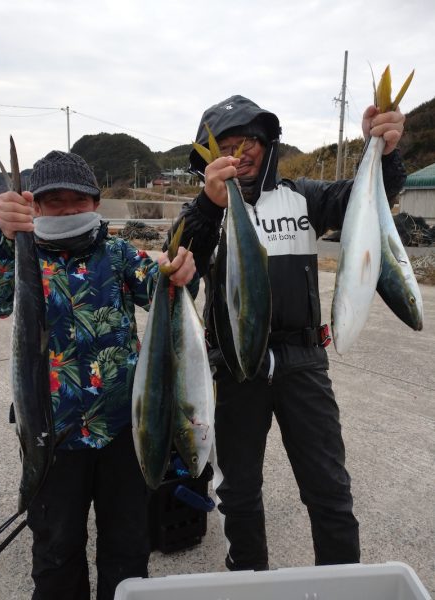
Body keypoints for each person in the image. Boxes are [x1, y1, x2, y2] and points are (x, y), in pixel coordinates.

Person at [171, 94, 407, 571]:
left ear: (268, 144)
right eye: (226, 143)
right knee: (238, 492)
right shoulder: (204, 214)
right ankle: (249, 581)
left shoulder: (306, 197)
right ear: (208, 158)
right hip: (236, 366)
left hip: (303, 362)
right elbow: (178, 272)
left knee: (330, 489)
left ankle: (343, 583)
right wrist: (205, 206)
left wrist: (385, 151)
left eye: (249, 139)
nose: (238, 151)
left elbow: (370, 197)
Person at [0, 149, 196, 600]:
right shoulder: (21, 254)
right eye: (53, 201)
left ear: (95, 202)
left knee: (128, 546)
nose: (66, 209)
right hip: (51, 434)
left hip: (124, 429)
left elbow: (163, 287)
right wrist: (1, 237)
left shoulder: (117, 253)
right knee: (56, 551)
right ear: (35, 207)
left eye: (76, 200)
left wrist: (181, 270)